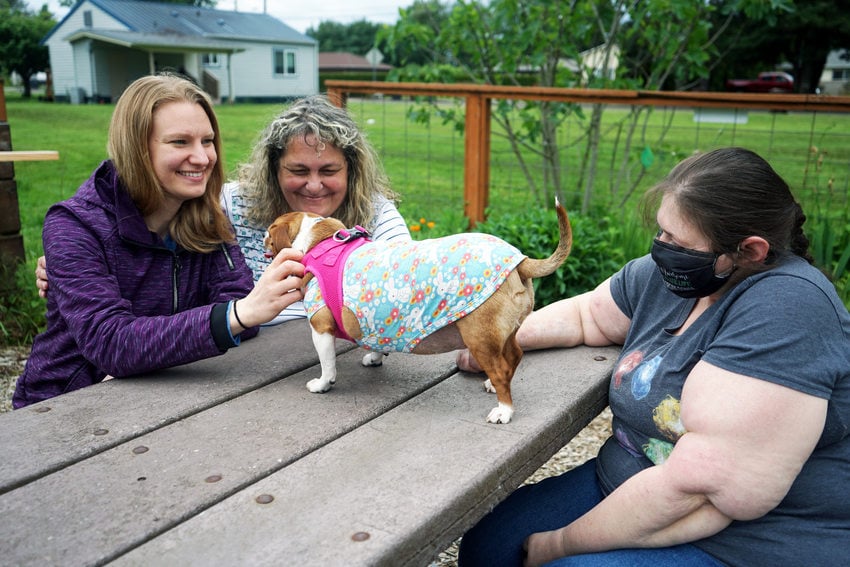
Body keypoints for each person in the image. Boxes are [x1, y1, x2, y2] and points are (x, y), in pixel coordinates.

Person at [456, 147, 850, 566]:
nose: (660, 247)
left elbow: (700, 490)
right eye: (662, 232)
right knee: (489, 544)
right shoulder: (678, 275)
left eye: (676, 240)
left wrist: (559, 544)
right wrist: (500, 342)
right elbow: (588, 314)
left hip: (754, 539)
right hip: (633, 480)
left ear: (750, 251)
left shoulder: (788, 309)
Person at [14, 74, 304, 408]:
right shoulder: (74, 225)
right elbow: (111, 343)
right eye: (180, 142)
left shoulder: (206, 217)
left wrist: (145, 355)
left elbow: (236, 298)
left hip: (167, 393)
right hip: (67, 406)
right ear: (136, 148)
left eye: (207, 141)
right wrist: (234, 316)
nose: (202, 157)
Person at [36, 94, 411, 325]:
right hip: (246, 361)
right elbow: (152, 232)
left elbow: (410, 287)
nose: (314, 185)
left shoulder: (374, 214)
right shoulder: (229, 204)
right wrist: (69, 260)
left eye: (329, 171)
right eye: (298, 171)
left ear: (352, 170)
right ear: (272, 170)